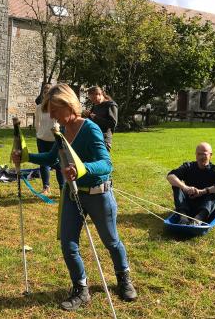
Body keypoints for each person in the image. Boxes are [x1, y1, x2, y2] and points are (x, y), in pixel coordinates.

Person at [12, 83, 137, 310]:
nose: (52, 116)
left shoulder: (89, 128)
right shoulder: (60, 132)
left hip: (99, 194)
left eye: (55, 110)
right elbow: (51, 158)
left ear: (68, 104)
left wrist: (82, 169)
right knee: (68, 244)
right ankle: (81, 288)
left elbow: (106, 164)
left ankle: (123, 277)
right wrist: (27, 155)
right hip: (72, 195)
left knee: (111, 241)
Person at [166, 142, 215, 225]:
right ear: (196, 155)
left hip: (207, 206)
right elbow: (170, 176)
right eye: (199, 154)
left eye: (204, 154)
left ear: (210, 155)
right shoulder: (188, 166)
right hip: (190, 203)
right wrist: (185, 187)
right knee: (177, 185)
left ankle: (197, 220)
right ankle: (183, 217)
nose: (201, 157)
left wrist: (203, 191)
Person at [34, 83, 63, 195]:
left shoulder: (58, 106)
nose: (47, 94)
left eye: (49, 92)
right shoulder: (39, 107)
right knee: (43, 163)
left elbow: (60, 122)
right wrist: (39, 133)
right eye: (45, 92)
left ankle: (62, 188)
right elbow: (37, 123)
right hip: (42, 138)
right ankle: (46, 187)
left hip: (55, 139)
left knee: (59, 164)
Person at [84, 86, 118, 151]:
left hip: (104, 140)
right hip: (94, 137)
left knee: (102, 160)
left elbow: (113, 124)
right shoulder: (96, 105)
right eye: (91, 99)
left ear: (99, 94)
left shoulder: (111, 105)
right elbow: (92, 120)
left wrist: (96, 118)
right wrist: (88, 115)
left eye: (94, 99)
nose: (93, 101)